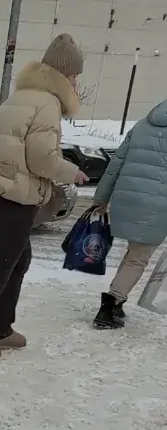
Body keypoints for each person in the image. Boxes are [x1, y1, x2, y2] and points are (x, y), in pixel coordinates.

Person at [0, 34, 89, 358]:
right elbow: (41, 159)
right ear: (63, 73)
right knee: (3, 266)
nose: (75, 82)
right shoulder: (47, 104)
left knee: (20, 258)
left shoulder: (19, 97)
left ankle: (0, 327)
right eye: (74, 75)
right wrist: (72, 172)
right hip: (16, 198)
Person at [91, 99, 167, 328]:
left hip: (127, 197)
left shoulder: (143, 125)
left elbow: (116, 163)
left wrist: (101, 198)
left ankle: (116, 301)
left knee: (134, 253)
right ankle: (110, 305)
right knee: (138, 257)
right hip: (157, 202)